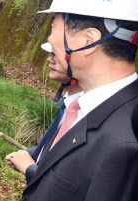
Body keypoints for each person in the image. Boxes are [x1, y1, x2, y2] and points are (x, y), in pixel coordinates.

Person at [8, 0, 138, 201]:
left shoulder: (126, 146)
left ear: (87, 40)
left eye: (53, 27)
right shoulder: (81, 108)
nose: (50, 39)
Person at [5, 42, 82, 183]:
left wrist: (29, 168)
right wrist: (31, 154)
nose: (49, 59)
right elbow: (56, 146)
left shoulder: (84, 109)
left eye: (56, 54)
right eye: (50, 54)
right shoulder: (69, 101)